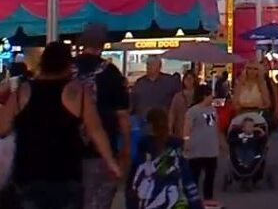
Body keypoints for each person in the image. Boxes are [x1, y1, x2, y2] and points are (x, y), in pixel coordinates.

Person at [0, 41, 120, 209]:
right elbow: (96, 131)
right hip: (66, 175)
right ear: (67, 64)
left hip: (27, 174)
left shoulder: (22, 92)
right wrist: (111, 162)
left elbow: (2, 127)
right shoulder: (77, 92)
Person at [74, 22, 131, 209]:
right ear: (103, 44)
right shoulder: (111, 72)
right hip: (104, 151)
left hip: (69, 152)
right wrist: (126, 150)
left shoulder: (68, 69)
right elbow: (122, 116)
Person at [129, 107, 203, 209]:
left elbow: (133, 181)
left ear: (149, 125)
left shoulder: (143, 148)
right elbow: (187, 179)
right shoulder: (176, 148)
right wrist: (196, 204)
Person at [183, 84, 223, 206]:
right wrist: (186, 141)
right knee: (194, 175)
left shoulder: (213, 110)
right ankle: (191, 197)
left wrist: (220, 142)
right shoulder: (193, 111)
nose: (213, 97)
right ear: (204, 96)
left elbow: (216, 127)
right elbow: (187, 128)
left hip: (211, 148)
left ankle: (208, 198)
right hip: (197, 149)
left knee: (210, 175)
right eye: (210, 94)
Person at [131, 56, 181, 121]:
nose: (149, 67)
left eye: (152, 64)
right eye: (148, 64)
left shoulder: (170, 81)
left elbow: (179, 100)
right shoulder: (140, 82)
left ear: (159, 67)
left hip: (163, 121)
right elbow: (133, 100)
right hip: (143, 121)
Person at [170, 71, 199, 139]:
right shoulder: (178, 96)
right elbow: (172, 113)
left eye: (190, 78)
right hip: (180, 130)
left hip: (196, 130)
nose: (188, 81)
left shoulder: (199, 95)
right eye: (186, 79)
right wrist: (170, 128)